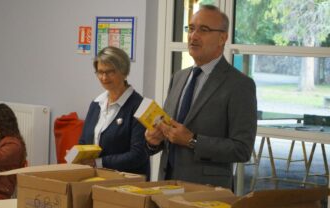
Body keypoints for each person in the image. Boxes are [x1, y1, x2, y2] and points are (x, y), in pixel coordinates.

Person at [145, 5, 257, 189]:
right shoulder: (178, 77)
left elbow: (242, 149)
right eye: (191, 28)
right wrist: (153, 141)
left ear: (223, 38)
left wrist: (192, 140)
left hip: (207, 193)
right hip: (166, 186)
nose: (193, 36)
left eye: (203, 30)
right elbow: (169, 133)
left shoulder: (239, 85)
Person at [79, 46, 150, 178]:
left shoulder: (140, 106)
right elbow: (84, 141)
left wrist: (99, 163)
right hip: (95, 179)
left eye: (110, 72)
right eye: (100, 72)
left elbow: (138, 155)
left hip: (127, 184)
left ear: (124, 72)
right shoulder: (96, 104)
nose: (104, 77)